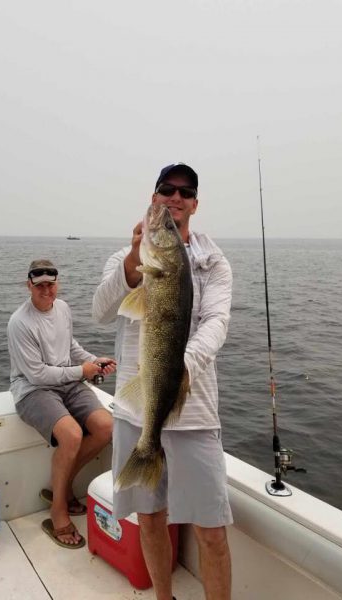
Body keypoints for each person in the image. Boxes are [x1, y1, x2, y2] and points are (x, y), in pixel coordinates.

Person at [92, 164, 233, 600]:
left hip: (195, 414)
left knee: (211, 530)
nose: (175, 197)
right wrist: (134, 265)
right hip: (136, 413)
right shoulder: (126, 258)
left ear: (195, 204)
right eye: (166, 189)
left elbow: (216, 324)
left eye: (185, 192)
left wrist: (178, 367)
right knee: (150, 518)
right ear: (153, 198)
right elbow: (100, 311)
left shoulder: (214, 263)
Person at [7, 259, 116, 549]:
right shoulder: (20, 323)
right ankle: (58, 510)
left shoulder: (63, 308)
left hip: (67, 382)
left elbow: (69, 346)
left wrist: (93, 361)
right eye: (39, 285)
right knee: (72, 434)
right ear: (28, 285)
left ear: (58, 283)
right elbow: (37, 374)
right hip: (33, 389)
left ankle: (62, 487)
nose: (46, 290)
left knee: (106, 427)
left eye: (51, 284)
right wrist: (82, 371)